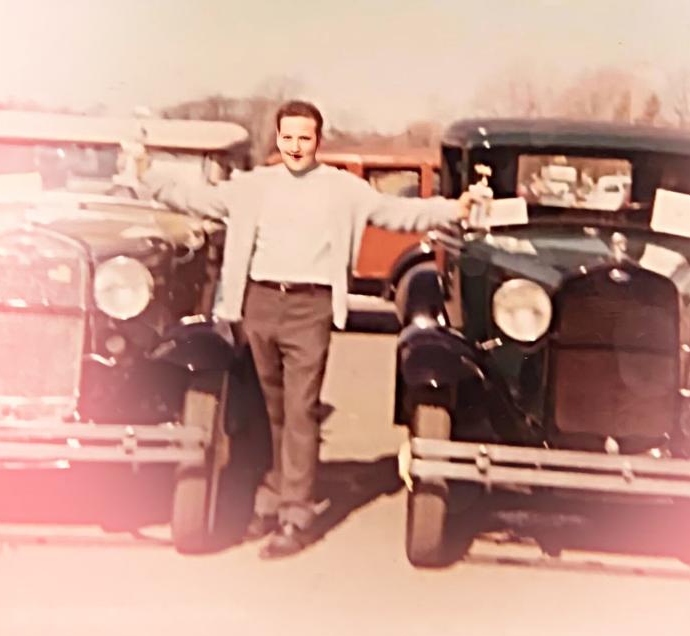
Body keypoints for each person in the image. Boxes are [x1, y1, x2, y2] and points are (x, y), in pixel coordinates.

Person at [137, 100, 476, 557]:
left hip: (310, 308)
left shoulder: (342, 189)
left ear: (319, 140)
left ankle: (295, 515)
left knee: (300, 409)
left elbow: (398, 213)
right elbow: (195, 199)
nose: (296, 146)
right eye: (288, 137)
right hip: (259, 302)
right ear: (278, 139)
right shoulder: (252, 186)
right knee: (268, 407)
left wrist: (456, 208)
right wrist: (147, 175)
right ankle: (272, 494)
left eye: (305, 138)